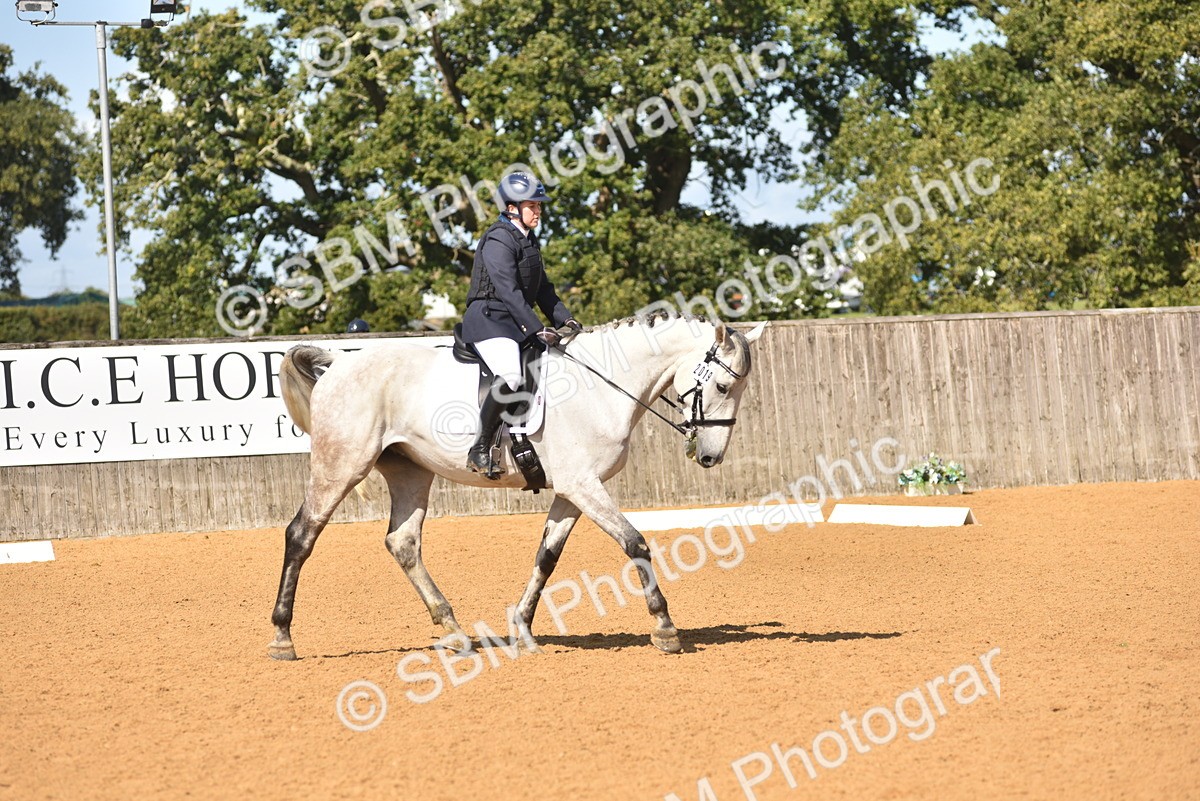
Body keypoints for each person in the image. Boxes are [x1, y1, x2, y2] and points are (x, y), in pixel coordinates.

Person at [460, 170, 582, 478]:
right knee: (512, 374)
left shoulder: (528, 240)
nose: (538, 211)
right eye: (533, 205)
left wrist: (565, 318)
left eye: (539, 205)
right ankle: (479, 448)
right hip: (489, 318)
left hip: (512, 320)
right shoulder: (498, 238)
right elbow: (508, 290)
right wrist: (537, 328)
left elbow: (543, 289)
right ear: (512, 207)